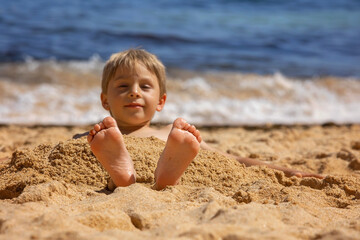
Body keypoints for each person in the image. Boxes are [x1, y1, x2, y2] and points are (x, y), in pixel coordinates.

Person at [85, 48, 323, 191]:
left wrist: (284, 171)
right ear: (105, 100)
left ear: (161, 101)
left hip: (164, 168)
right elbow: (58, 160)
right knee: (97, 161)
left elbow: (230, 160)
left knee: (184, 154)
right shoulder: (100, 137)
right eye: (123, 86)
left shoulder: (173, 134)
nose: (134, 92)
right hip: (112, 167)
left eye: (145, 86)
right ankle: (128, 179)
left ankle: (161, 179)